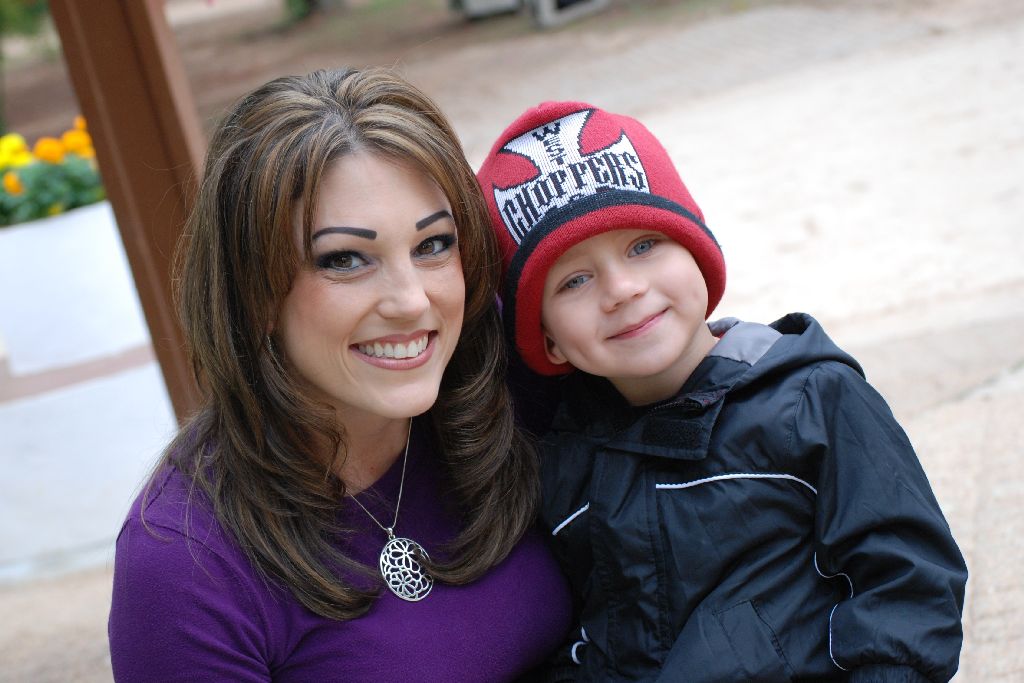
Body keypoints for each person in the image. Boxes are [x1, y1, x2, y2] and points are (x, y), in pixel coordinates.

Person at [476, 101, 968, 682]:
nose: (623, 289)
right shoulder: (560, 464)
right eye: (575, 280)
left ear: (698, 254)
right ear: (548, 340)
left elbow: (908, 587)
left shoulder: (812, 401)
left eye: (643, 246)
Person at [108, 68, 572, 681]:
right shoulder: (185, 566)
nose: (410, 301)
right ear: (253, 291)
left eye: (433, 244)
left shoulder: (513, 364)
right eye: (345, 259)